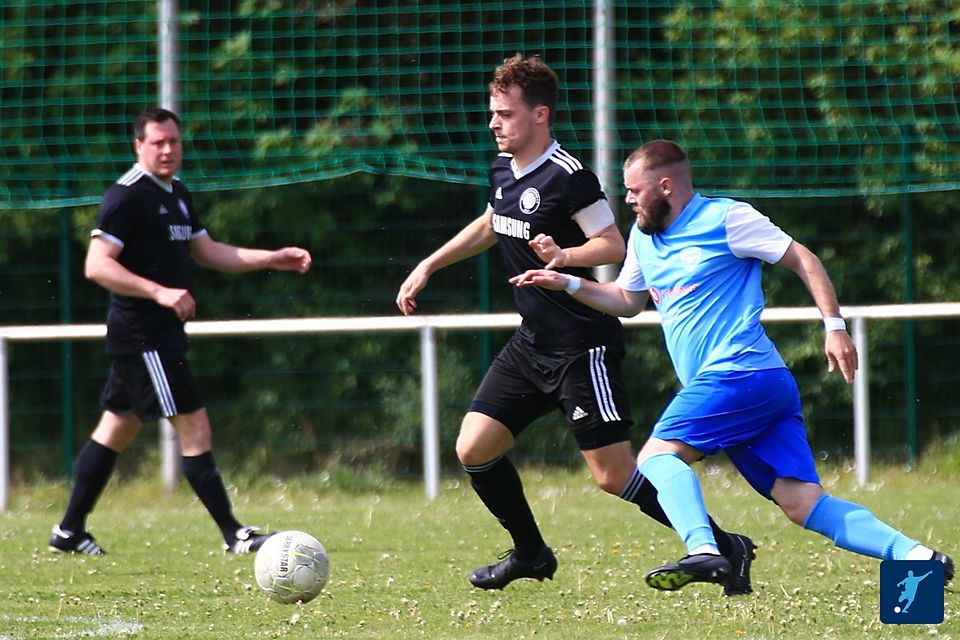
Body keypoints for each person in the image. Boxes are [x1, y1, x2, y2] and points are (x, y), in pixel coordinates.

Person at [510, 138, 955, 592]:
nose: (626, 200)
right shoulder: (645, 237)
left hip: (739, 372)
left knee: (656, 458)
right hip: (758, 385)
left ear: (665, 186)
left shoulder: (727, 217)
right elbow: (626, 301)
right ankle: (919, 557)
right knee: (800, 502)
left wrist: (835, 327)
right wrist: (566, 281)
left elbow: (804, 258)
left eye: (634, 191)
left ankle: (704, 550)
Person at [396, 56, 755, 594]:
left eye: (504, 114)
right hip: (531, 343)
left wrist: (563, 255)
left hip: (582, 347)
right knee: (473, 448)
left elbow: (611, 242)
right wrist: (429, 263)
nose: (493, 123)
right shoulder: (502, 168)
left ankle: (725, 546)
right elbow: (494, 221)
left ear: (539, 115)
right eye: (492, 113)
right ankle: (531, 553)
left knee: (613, 477)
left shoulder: (569, 177)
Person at [49, 108, 312, 556]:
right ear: (139, 146)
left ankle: (68, 532)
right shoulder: (126, 196)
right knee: (194, 424)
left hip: (158, 334)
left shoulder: (177, 194)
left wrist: (271, 258)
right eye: (158, 143)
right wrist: (160, 292)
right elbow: (97, 265)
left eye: (174, 141)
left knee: (116, 428)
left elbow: (207, 251)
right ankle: (233, 535)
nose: (168, 150)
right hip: (143, 336)